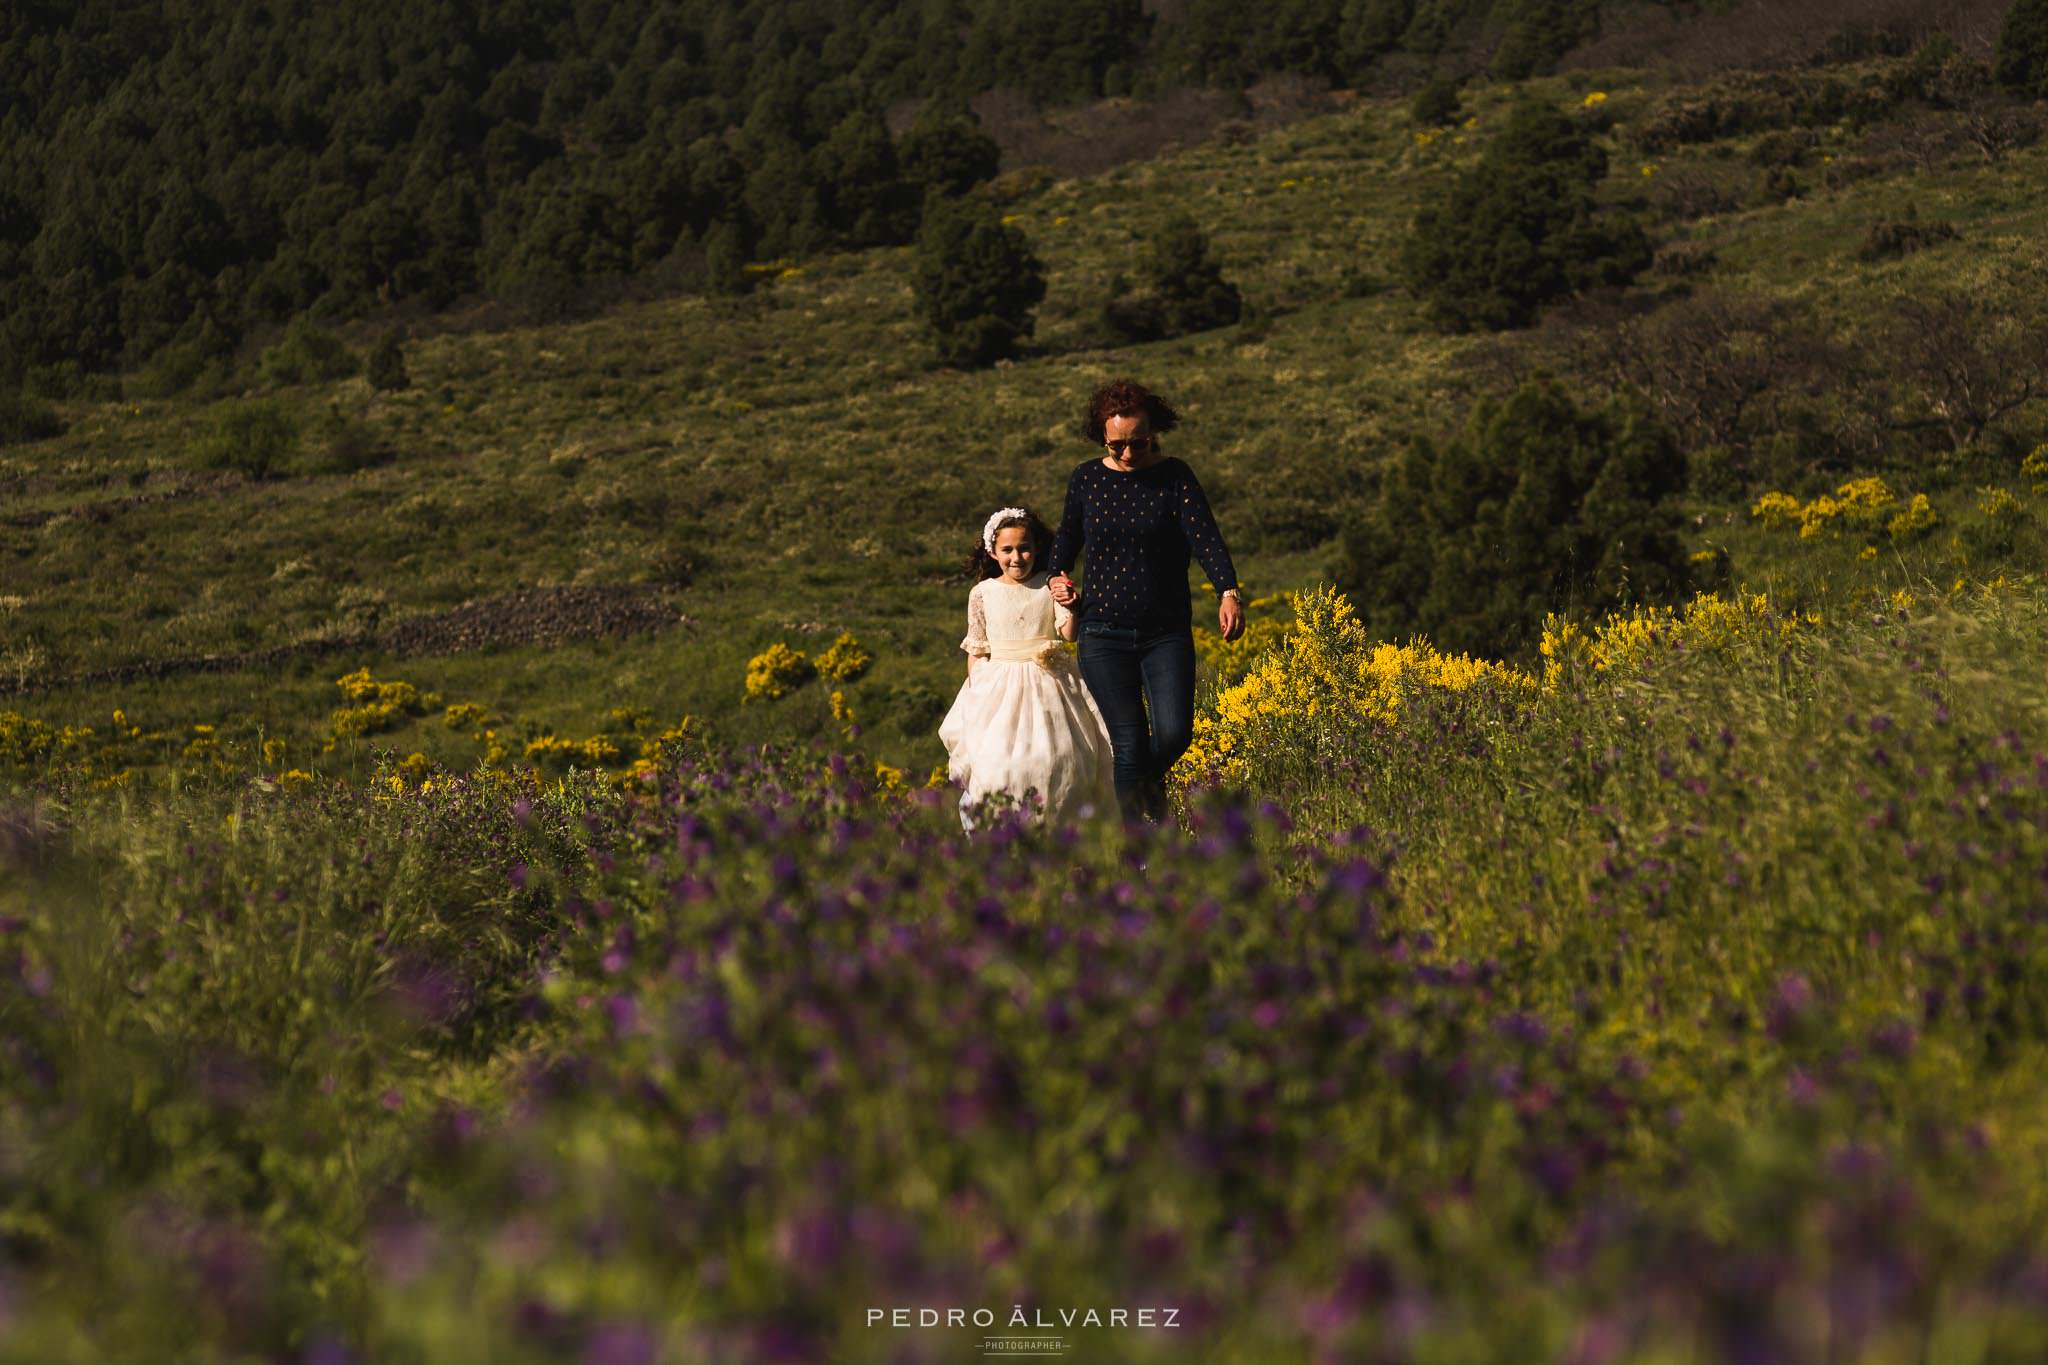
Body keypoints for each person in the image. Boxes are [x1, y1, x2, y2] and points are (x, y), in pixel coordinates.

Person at [1047, 379, 1244, 823]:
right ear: (1103, 437)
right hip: (1103, 634)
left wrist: (1228, 593)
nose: (1129, 454)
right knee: (1130, 744)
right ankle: (1141, 853)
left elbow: (1206, 539)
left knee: (1175, 736)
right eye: (1118, 445)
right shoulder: (1086, 479)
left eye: (1139, 442)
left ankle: (1139, 795)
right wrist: (1059, 582)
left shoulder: (1175, 477)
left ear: (1154, 432)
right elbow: (1063, 547)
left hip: (1165, 632)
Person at [938, 506, 1117, 830]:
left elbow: (1068, 633)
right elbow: (977, 648)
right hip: (999, 689)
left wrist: (1070, 604)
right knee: (997, 764)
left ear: (1037, 549)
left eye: (1024, 548)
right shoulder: (982, 593)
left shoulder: (1048, 586)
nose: (1017, 557)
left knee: (1059, 757)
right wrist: (978, 689)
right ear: (993, 551)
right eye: (1007, 549)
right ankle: (1002, 835)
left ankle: (1058, 833)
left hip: (1050, 686)